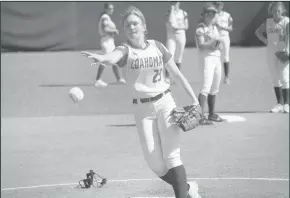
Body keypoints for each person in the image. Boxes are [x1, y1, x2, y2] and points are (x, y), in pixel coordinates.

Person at [82, 6, 201, 198]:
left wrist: (195, 100)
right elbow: (114, 57)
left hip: (165, 104)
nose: (131, 27)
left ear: (144, 27)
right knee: (155, 164)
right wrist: (103, 58)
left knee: (172, 156)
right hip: (142, 110)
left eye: (135, 23)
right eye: (127, 24)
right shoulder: (125, 50)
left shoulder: (158, 46)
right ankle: (187, 188)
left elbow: (177, 75)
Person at [255, 2, 289, 113]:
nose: (276, 13)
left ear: (282, 11)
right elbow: (258, 32)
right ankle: (279, 104)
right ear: (271, 11)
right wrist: (266, 41)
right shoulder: (268, 22)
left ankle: (287, 104)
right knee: (275, 78)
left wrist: (287, 49)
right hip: (271, 52)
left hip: (283, 51)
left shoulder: (286, 21)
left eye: (278, 11)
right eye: (274, 11)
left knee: (284, 77)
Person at [195, 3, 226, 124]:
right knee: (205, 87)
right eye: (209, 13)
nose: (211, 16)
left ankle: (212, 114)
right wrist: (214, 42)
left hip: (216, 58)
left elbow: (220, 45)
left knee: (215, 87)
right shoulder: (200, 29)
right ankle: (199, 116)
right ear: (204, 15)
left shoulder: (215, 28)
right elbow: (201, 45)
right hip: (206, 58)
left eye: (213, 13)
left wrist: (220, 45)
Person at [95, 2, 126, 87]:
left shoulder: (107, 17)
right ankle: (98, 80)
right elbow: (105, 28)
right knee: (105, 60)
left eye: (112, 8)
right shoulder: (105, 17)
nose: (111, 10)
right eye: (110, 9)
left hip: (110, 41)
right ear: (105, 9)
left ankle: (119, 79)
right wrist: (114, 31)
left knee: (114, 59)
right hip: (106, 41)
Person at [165, 1, 188, 83]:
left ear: (179, 3)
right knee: (169, 55)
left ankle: (176, 78)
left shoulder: (183, 13)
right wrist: (171, 10)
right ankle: (167, 77)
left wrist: (178, 27)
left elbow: (186, 26)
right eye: (172, 2)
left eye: (175, 2)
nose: (174, 4)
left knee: (179, 57)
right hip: (171, 37)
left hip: (181, 36)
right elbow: (169, 22)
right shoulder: (169, 13)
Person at [213, 2, 233, 84]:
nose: (217, 6)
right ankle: (215, 77)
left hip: (225, 37)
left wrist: (222, 27)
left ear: (222, 5)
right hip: (216, 37)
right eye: (216, 4)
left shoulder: (227, 15)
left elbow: (230, 28)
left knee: (225, 57)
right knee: (215, 56)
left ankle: (226, 77)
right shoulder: (213, 15)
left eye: (219, 4)